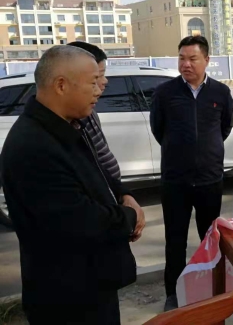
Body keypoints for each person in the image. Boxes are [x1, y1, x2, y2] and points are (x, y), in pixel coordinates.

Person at [0, 45, 138, 324]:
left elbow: (97, 175)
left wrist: (123, 194)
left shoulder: (68, 126)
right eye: (92, 82)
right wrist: (129, 217)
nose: (99, 90)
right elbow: (80, 221)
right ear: (61, 85)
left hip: (91, 284)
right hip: (69, 299)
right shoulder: (34, 146)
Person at [150, 35, 233, 311]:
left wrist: (206, 152)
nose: (185, 64)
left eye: (192, 59)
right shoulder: (165, 93)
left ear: (206, 60)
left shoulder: (220, 92)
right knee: (175, 241)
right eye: (182, 58)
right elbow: (159, 129)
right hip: (175, 181)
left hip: (210, 180)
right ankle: (173, 294)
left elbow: (224, 128)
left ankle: (211, 288)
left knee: (210, 239)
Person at [68, 41, 145, 241]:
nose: (104, 82)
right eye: (97, 77)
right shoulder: (51, 137)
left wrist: (123, 193)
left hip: (111, 198)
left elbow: (98, 160)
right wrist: (128, 217)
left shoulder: (87, 113)